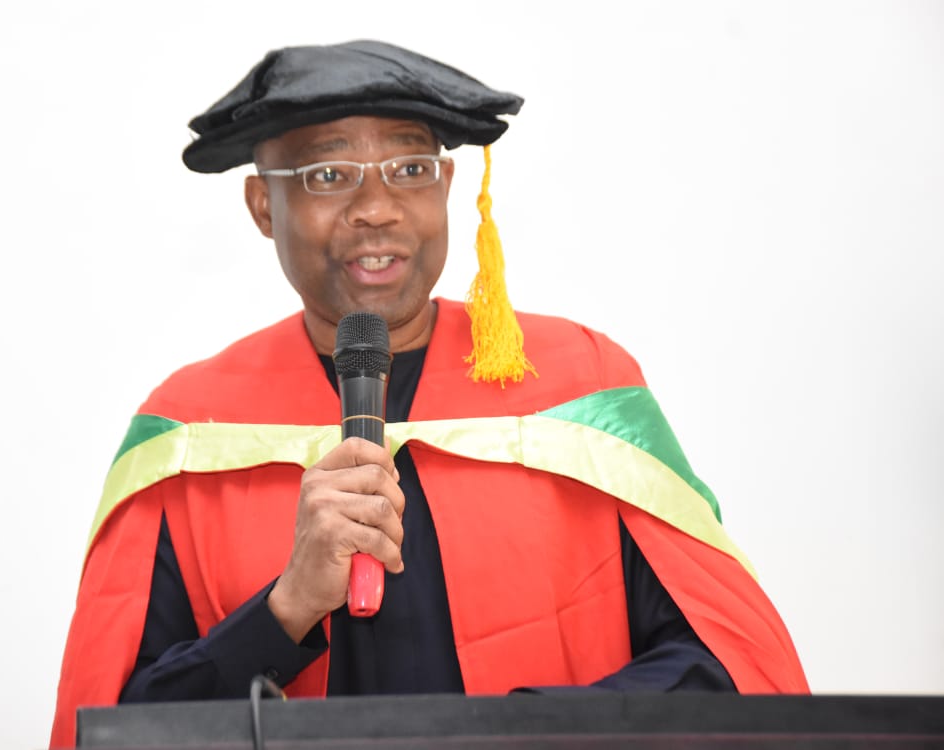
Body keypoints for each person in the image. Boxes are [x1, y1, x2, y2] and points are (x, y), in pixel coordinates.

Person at [49, 40, 808, 749]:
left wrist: (517, 733)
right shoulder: (191, 431)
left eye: (410, 168)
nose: (377, 207)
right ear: (262, 206)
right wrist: (285, 609)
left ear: (445, 186)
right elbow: (117, 726)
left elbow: (724, 667)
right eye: (328, 175)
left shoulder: (582, 388)